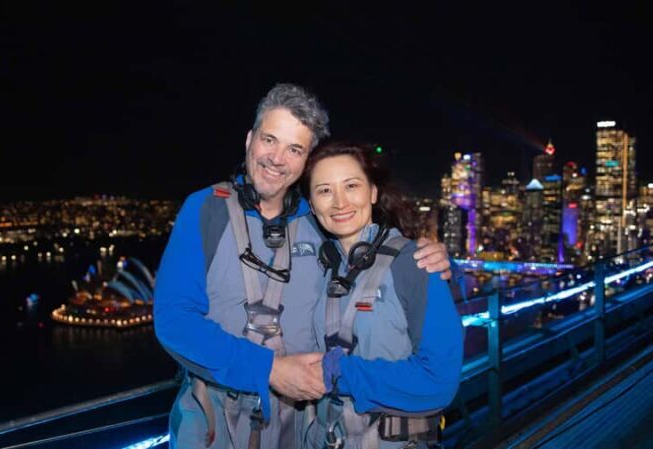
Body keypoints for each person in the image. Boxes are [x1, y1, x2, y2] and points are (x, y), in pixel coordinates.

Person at [154, 84, 452, 449]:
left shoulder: (321, 221)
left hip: (302, 428)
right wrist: (268, 370)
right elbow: (174, 320)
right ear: (250, 139)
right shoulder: (206, 210)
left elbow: (379, 264)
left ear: (306, 161)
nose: (277, 158)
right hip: (216, 428)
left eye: (294, 149)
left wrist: (434, 258)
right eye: (270, 140)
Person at [301, 142, 464, 449]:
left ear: (373, 193)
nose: (339, 202)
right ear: (311, 204)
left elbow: (439, 381)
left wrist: (333, 374)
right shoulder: (317, 268)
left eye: (351, 186)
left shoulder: (416, 264)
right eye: (324, 191)